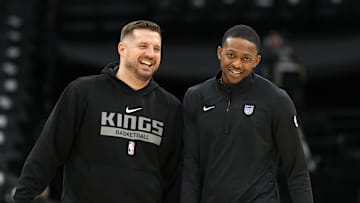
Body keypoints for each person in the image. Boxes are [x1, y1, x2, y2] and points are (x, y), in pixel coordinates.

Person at [13, 20, 182, 203]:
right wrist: (23, 198)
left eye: (157, 49)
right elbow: (48, 152)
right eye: (143, 46)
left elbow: (174, 177)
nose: (150, 54)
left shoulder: (170, 107)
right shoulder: (83, 92)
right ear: (122, 49)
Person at [180, 24, 313, 203]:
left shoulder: (276, 99)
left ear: (256, 61)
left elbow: (297, 170)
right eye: (231, 55)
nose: (236, 64)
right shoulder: (196, 97)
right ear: (220, 52)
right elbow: (190, 169)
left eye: (246, 58)